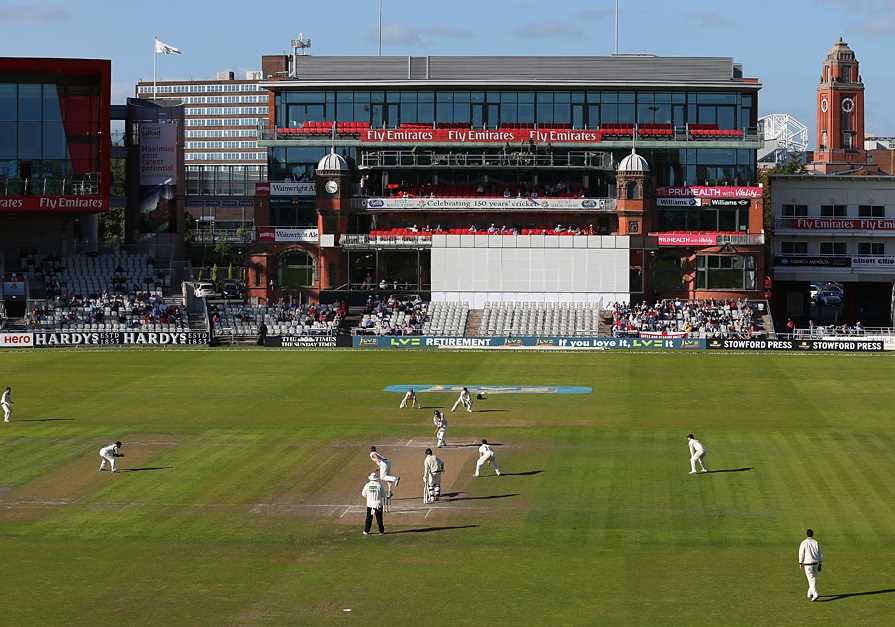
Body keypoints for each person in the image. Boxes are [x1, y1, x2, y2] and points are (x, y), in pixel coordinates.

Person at [798, 529, 823, 601]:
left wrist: (800, 563)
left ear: (807, 534)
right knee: (813, 579)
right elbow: (820, 553)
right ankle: (809, 593)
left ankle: (815, 594)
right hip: (816, 563)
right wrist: (820, 563)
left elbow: (801, 553)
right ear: (813, 534)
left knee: (811, 579)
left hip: (807, 564)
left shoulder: (803, 542)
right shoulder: (816, 542)